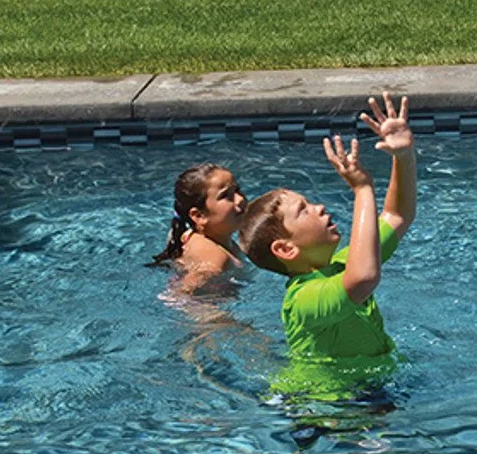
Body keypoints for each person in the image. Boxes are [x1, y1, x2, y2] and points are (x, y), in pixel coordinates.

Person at [237, 92, 416, 411]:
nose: (319, 207)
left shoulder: (339, 265)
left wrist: (403, 157)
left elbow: (397, 216)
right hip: (323, 407)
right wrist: (362, 189)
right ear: (286, 249)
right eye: (303, 210)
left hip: (365, 394)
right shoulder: (303, 300)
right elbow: (364, 278)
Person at [149, 163, 248, 294]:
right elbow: (179, 294)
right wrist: (211, 314)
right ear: (199, 216)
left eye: (237, 190)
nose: (240, 199)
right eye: (225, 196)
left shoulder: (191, 235)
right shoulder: (216, 257)